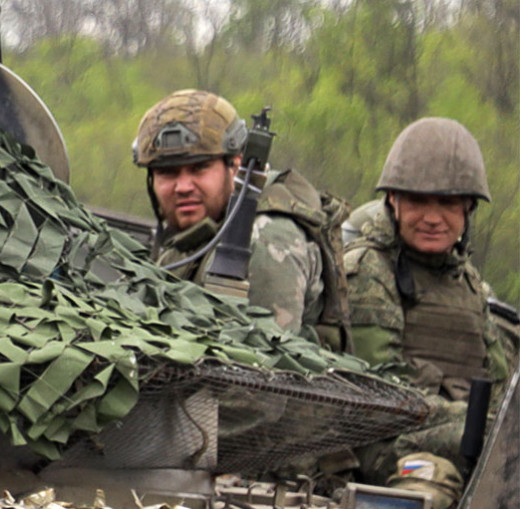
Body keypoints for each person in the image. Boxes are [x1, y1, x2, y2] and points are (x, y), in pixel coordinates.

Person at [343, 117, 518, 507]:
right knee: (428, 490)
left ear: (468, 207)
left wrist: (496, 433)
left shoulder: (468, 283)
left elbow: (502, 390)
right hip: (385, 446)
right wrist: (473, 427)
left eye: (448, 203)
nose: (433, 217)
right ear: (393, 200)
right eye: (419, 201)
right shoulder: (369, 270)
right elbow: (381, 398)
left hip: (463, 440)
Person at [132, 89, 351, 345]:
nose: (183, 186)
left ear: (236, 165)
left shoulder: (265, 239)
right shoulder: (193, 237)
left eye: (199, 168)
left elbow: (266, 370)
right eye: (167, 173)